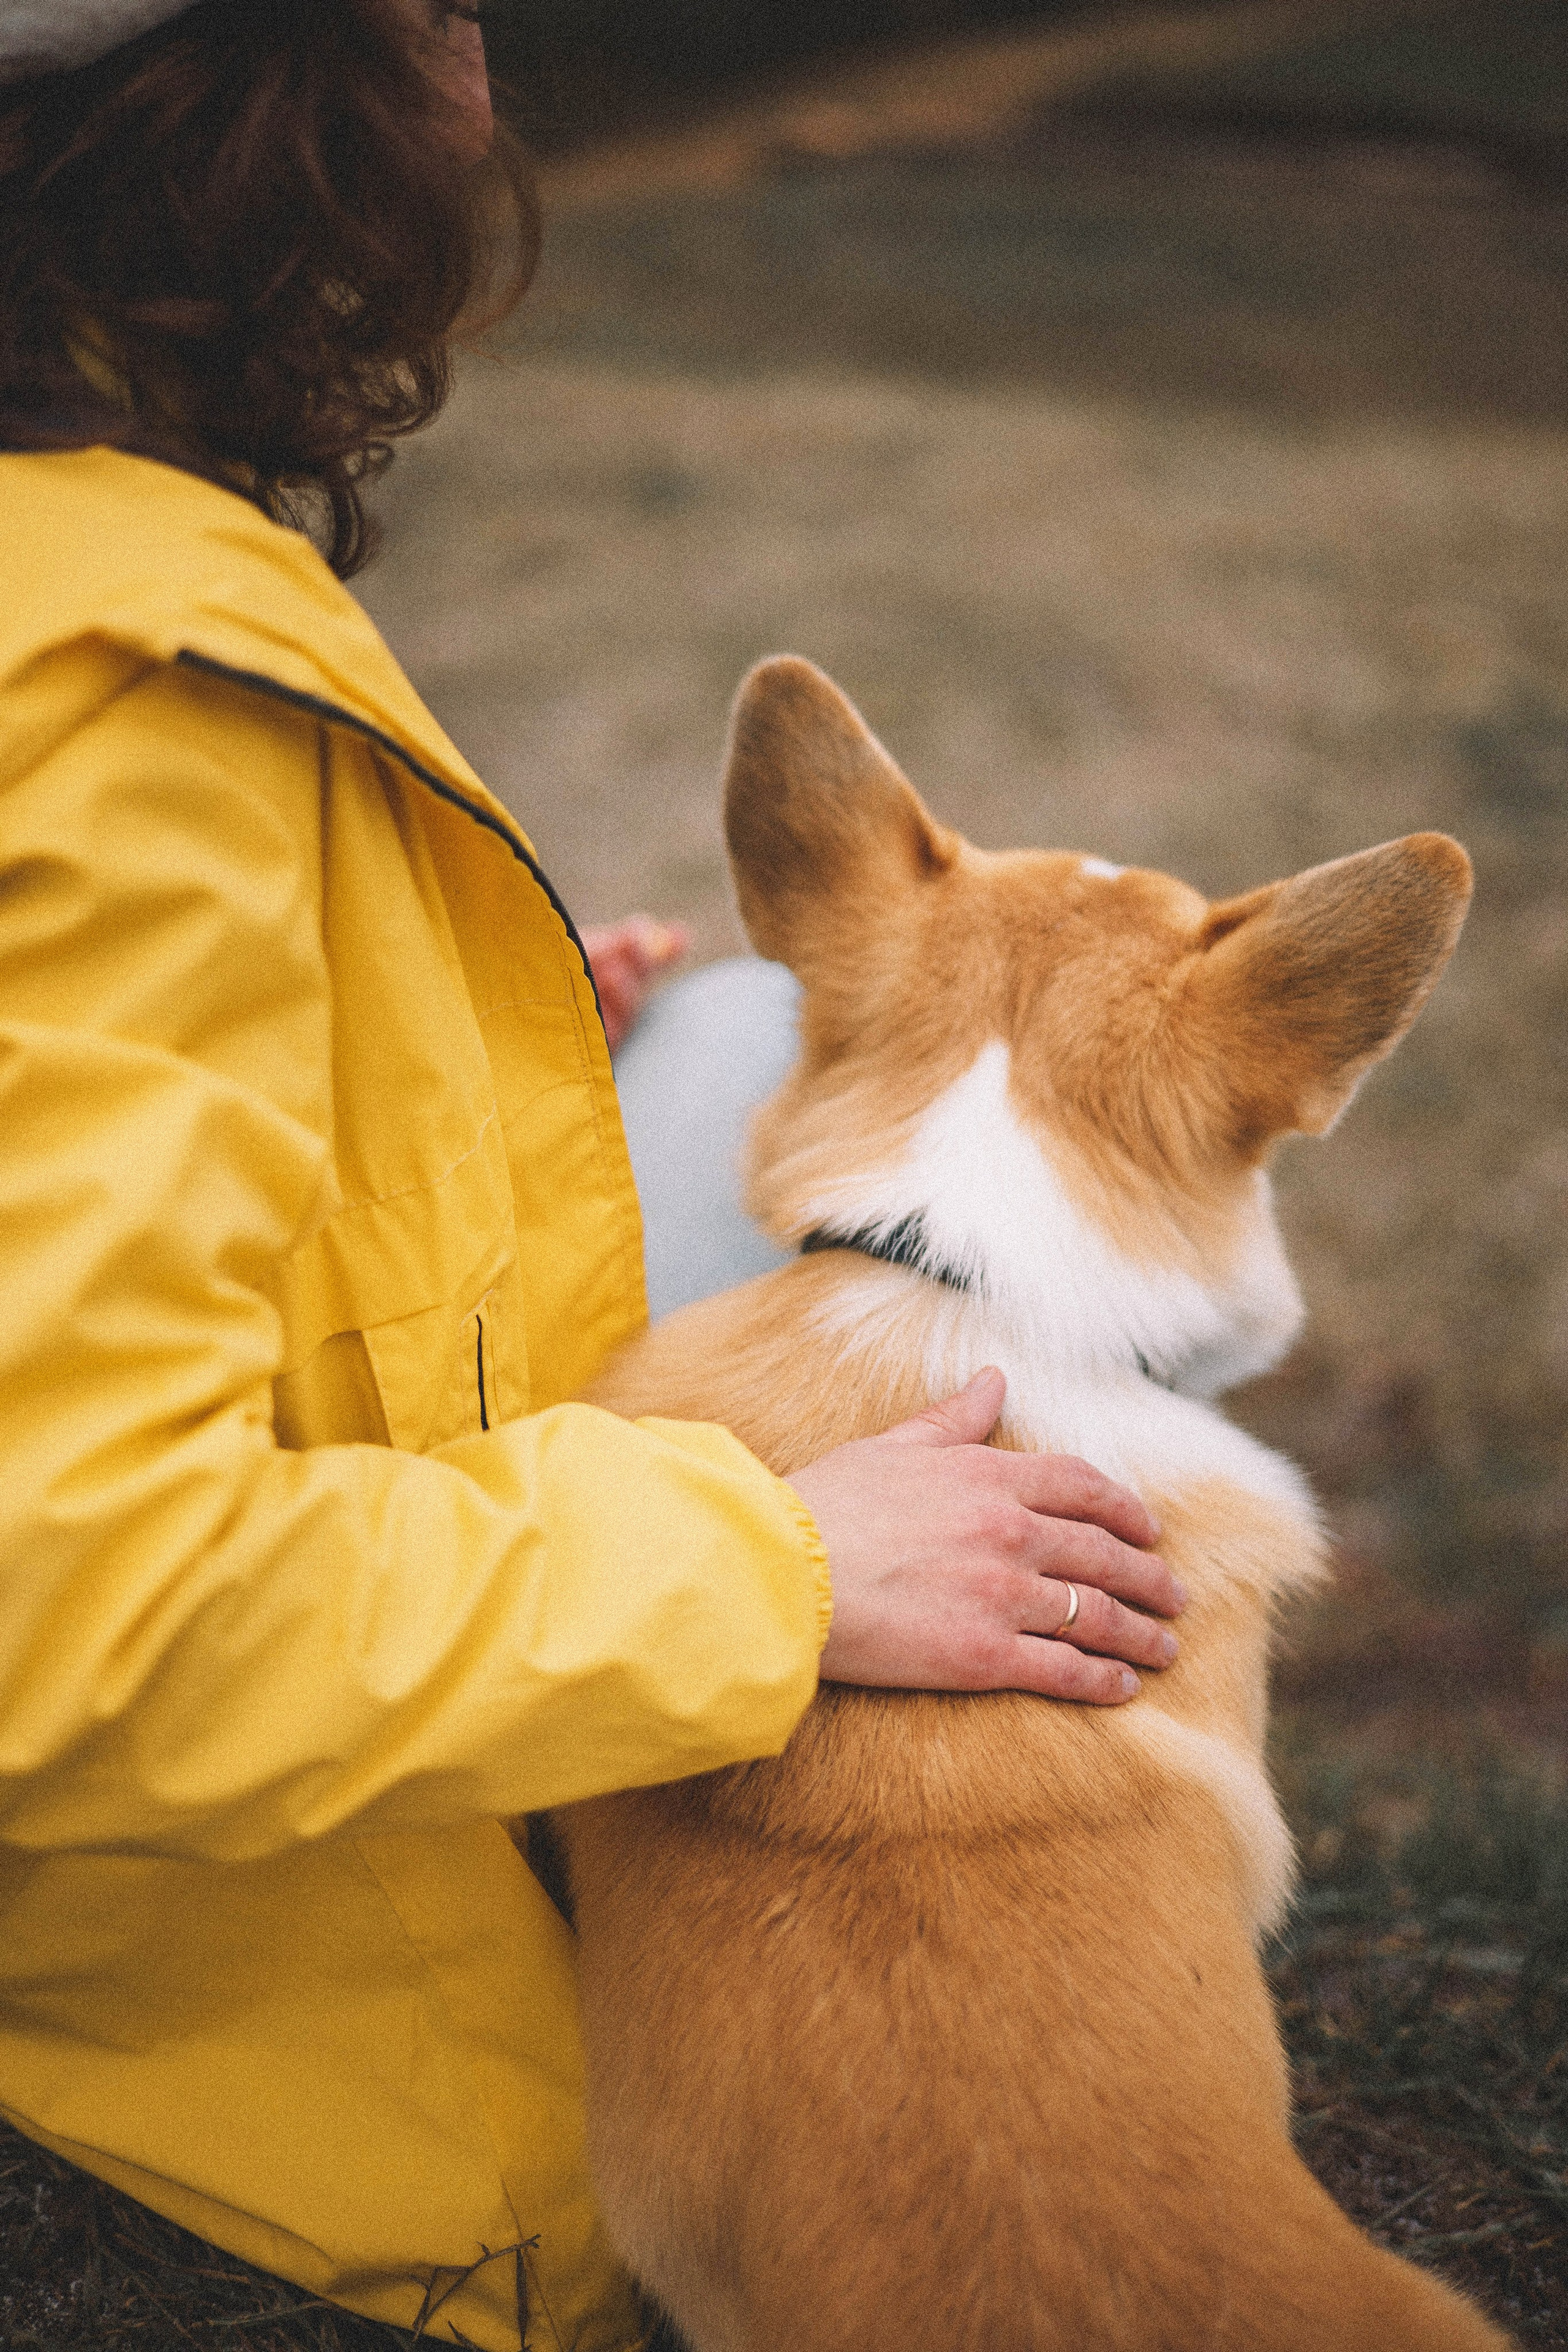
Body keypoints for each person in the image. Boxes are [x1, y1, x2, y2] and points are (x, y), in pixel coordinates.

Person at [0, 4, 1186, 2345]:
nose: (485, 61)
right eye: (433, 9)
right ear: (248, 112)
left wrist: (464, 1043)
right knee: (938, 1293)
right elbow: (67, 1616)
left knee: (754, 1038)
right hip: (247, 2064)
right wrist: (775, 1564)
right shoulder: (118, 689)